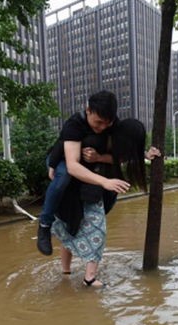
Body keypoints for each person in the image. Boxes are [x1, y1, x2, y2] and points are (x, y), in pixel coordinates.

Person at [51, 117, 161, 288]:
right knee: (82, 228)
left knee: (77, 228)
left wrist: (145, 155)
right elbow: (70, 159)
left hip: (95, 190)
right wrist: (53, 168)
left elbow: (119, 158)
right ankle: (85, 277)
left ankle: (71, 274)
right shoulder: (96, 136)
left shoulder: (115, 141)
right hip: (78, 188)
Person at [36, 90, 118, 255]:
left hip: (86, 165)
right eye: (99, 122)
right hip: (61, 160)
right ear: (88, 110)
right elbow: (72, 166)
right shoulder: (74, 124)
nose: (102, 128)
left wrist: (144, 154)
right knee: (64, 176)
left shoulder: (113, 124)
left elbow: (123, 154)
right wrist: (104, 181)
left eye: (106, 124)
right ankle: (44, 225)